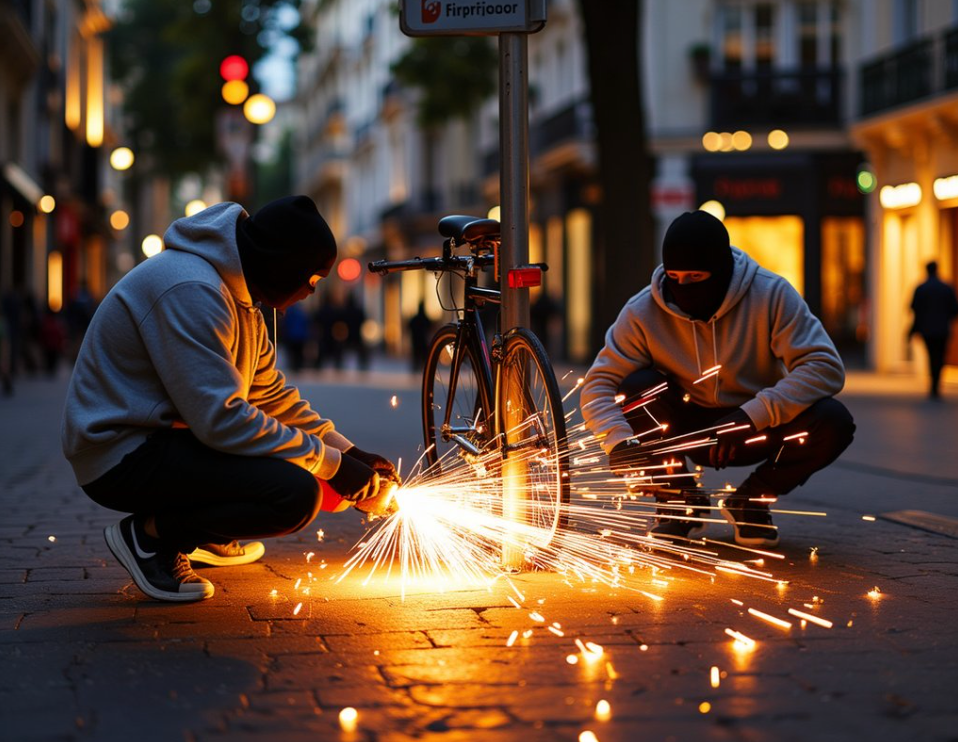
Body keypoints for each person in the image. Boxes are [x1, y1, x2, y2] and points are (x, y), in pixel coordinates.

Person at [62, 196, 400, 603]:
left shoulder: (241, 297)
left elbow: (270, 396)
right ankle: (150, 538)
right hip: (119, 453)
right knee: (294, 495)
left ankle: (205, 532)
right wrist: (331, 466)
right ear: (281, 263)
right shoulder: (192, 290)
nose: (311, 291)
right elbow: (221, 420)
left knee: (301, 471)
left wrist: (350, 453)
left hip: (167, 436)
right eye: (311, 278)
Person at [581, 210, 855, 548]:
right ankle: (679, 498)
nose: (683, 288)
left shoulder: (770, 295)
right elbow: (598, 386)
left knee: (833, 421)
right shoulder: (642, 311)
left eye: (696, 277)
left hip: (753, 426)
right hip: (684, 427)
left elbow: (825, 366)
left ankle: (750, 501)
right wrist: (620, 441)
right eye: (674, 276)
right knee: (635, 389)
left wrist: (751, 415)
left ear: (722, 271)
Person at [909, 260, 958, 399]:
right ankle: (936, 383)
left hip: (927, 329)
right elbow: (954, 309)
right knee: (940, 356)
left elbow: (914, 308)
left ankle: (933, 384)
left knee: (931, 355)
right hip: (942, 329)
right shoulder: (947, 288)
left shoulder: (921, 288)